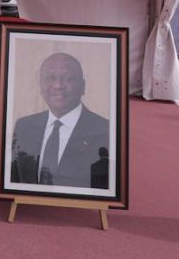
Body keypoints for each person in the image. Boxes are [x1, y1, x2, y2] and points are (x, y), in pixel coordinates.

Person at [11, 52, 109, 189]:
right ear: (40, 85)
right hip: (29, 207)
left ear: (83, 86)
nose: (58, 85)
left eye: (68, 78)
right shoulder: (24, 126)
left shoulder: (106, 131)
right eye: (50, 78)